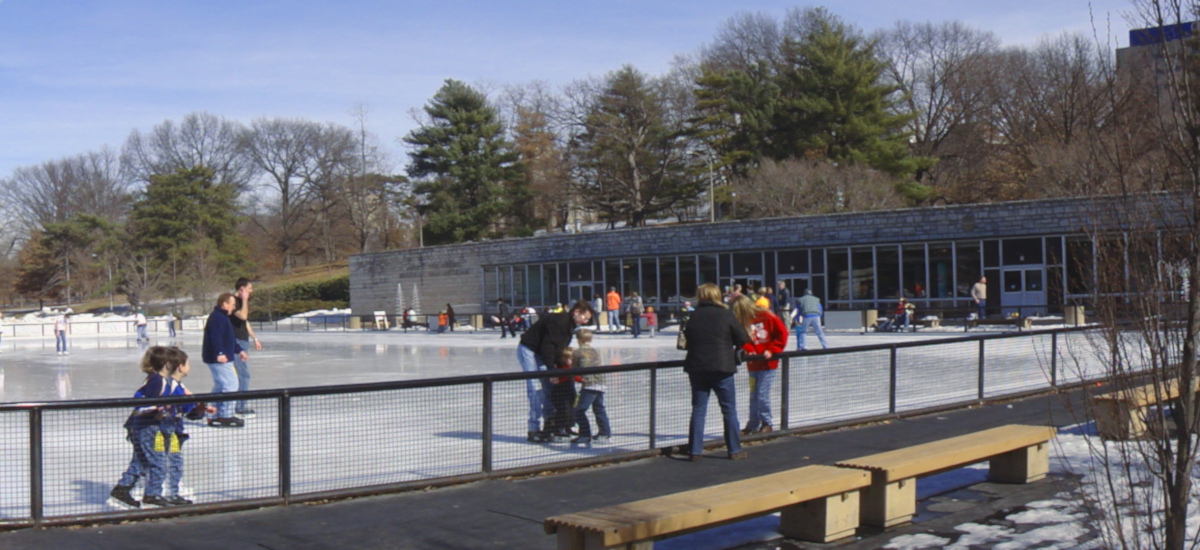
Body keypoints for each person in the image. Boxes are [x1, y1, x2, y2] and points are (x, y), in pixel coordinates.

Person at [683, 283, 751, 461]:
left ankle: (695, 451)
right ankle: (734, 449)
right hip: (722, 367)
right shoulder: (725, 314)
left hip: (697, 367)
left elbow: (688, 340)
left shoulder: (694, 316)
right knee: (729, 410)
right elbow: (743, 338)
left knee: (698, 409)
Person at [517, 300, 594, 443]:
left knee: (549, 388)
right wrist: (552, 371)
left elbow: (558, 349)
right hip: (529, 349)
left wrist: (561, 368)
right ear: (576, 312)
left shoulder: (569, 325)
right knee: (534, 388)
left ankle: (551, 425)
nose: (585, 322)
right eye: (585, 318)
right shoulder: (559, 322)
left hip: (542, 353)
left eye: (588, 319)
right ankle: (533, 429)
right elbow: (549, 347)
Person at [160, 346, 210, 506]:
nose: (190, 367)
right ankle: (170, 494)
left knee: (167, 461)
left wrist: (198, 407)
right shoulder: (172, 386)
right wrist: (197, 407)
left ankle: (162, 491)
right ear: (181, 367)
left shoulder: (174, 384)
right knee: (173, 462)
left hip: (172, 430)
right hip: (170, 431)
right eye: (188, 364)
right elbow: (183, 407)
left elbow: (186, 408)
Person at [732, 296, 788, 435]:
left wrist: (772, 349)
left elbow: (782, 334)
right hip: (753, 365)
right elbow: (742, 339)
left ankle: (766, 422)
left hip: (768, 364)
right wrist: (749, 350)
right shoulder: (743, 322)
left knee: (762, 394)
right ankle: (753, 424)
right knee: (754, 395)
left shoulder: (766, 316)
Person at [203, 293, 246, 428]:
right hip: (219, 358)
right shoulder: (217, 318)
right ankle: (226, 415)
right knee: (231, 384)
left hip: (220, 357)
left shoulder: (222, 317)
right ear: (224, 304)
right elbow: (216, 337)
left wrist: (239, 350)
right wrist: (220, 353)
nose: (234, 307)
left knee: (220, 386)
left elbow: (229, 338)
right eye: (232, 304)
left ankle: (213, 414)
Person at [229, 278, 262, 417]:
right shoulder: (233, 302)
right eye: (249, 288)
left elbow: (245, 322)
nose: (251, 291)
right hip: (236, 342)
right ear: (242, 288)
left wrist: (255, 338)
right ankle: (240, 406)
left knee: (242, 374)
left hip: (243, 340)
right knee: (243, 375)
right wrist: (245, 300)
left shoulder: (240, 303)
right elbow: (242, 316)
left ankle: (238, 404)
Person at [571, 329, 610, 445]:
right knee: (599, 408)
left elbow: (574, 369)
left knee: (579, 410)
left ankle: (584, 434)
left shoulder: (577, 353)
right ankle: (605, 433)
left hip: (589, 385)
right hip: (601, 383)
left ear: (578, 340)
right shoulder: (596, 351)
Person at [546, 348, 578, 443]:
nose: (570, 361)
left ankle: (568, 427)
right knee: (563, 411)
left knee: (571, 410)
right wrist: (580, 378)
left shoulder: (571, 368)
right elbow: (563, 378)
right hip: (560, 394)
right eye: (568, 359)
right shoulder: (562, 369)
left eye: (572, 359)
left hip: (570, 393)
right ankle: (559, 428)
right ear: (563, 359)